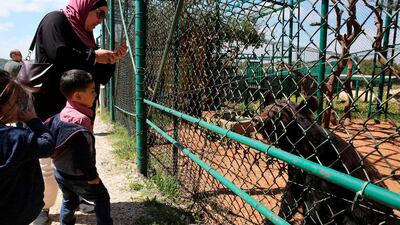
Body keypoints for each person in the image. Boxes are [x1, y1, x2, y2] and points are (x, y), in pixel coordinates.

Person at [31, 0, 127, 223]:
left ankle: (77, 195)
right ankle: (43, 208)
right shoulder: (55, 20)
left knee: (79, 156)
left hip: (78, 114)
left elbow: (97, 78)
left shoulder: (85, 36)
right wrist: (93, 57)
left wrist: (111, 60)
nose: (100, 21)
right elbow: (59, 55)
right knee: (47, 160)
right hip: (51, 110)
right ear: (85, 7)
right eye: (100, 14)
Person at [46, 69, 112, 225]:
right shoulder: (80, 121)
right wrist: (92, 176)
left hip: (60, 171)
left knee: (69, 199)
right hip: (79, 175)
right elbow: (82, 156)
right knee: (102, 197)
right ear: (77, 96)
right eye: (92, 91)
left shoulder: (62, 113)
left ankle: (66, 222)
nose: (95, 94)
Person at [0, 70, 55, 225]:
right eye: (17, 101)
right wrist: (34, 121)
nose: (21, 106)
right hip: (19, 212)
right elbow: (47, 145)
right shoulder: (19, 137)